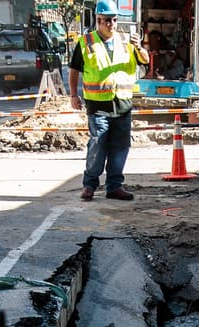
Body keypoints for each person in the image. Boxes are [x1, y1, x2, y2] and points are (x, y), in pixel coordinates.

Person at [68, 0, 149, 201]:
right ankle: (90, 185)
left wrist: (139, 48)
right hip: (98, 104)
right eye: (106, 20)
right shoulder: (86, 42)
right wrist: (73, 94)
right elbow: (74, 70)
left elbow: (145, 60)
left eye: (114, 20)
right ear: (98, 20)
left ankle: (114, 186)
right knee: (98, 143)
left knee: (120, 146)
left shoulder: (127, 42)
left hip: (121, 103)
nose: (111, 24)